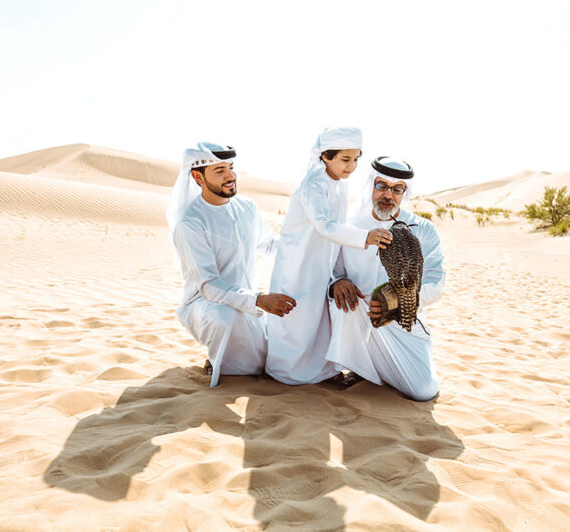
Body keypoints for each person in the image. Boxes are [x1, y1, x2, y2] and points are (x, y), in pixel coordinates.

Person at [266, 127, 393, 385]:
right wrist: (364, 237)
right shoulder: (313, 183)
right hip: (299, 261)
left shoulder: (341, 186)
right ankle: (286, 373)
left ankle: (320, 371)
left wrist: (337, 271)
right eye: (345, 159)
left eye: (356, 158)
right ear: (325, 156)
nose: (352, 166)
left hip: (323, 262)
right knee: (296, 321)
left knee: (318, 319)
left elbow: (335, 230)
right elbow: (324, 225)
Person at [166, 142, 296, 387]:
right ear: (197, 177)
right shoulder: (190, 222)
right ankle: (221, 364)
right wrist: (258, 300)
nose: (230, 176)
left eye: (231, 168)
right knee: (225, 317)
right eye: (220, 171)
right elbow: (209, 285)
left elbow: (269, 246)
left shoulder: (246, 207)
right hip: (206, 305)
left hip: (247, 299)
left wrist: (305, 248)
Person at [325, 157, 445, 401]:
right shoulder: (348, 225)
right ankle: (354, 366)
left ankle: (374, 368)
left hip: (401, 322)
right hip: (355, 314)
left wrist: (395, 301)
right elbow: (329, 269)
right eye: (381, 186)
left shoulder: (422, 229)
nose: (388, 195)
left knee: (423, 391)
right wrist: (335, 283)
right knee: (343, 303)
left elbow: (435, 283)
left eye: (397, 189)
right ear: (371, 185)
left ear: (404, 193)